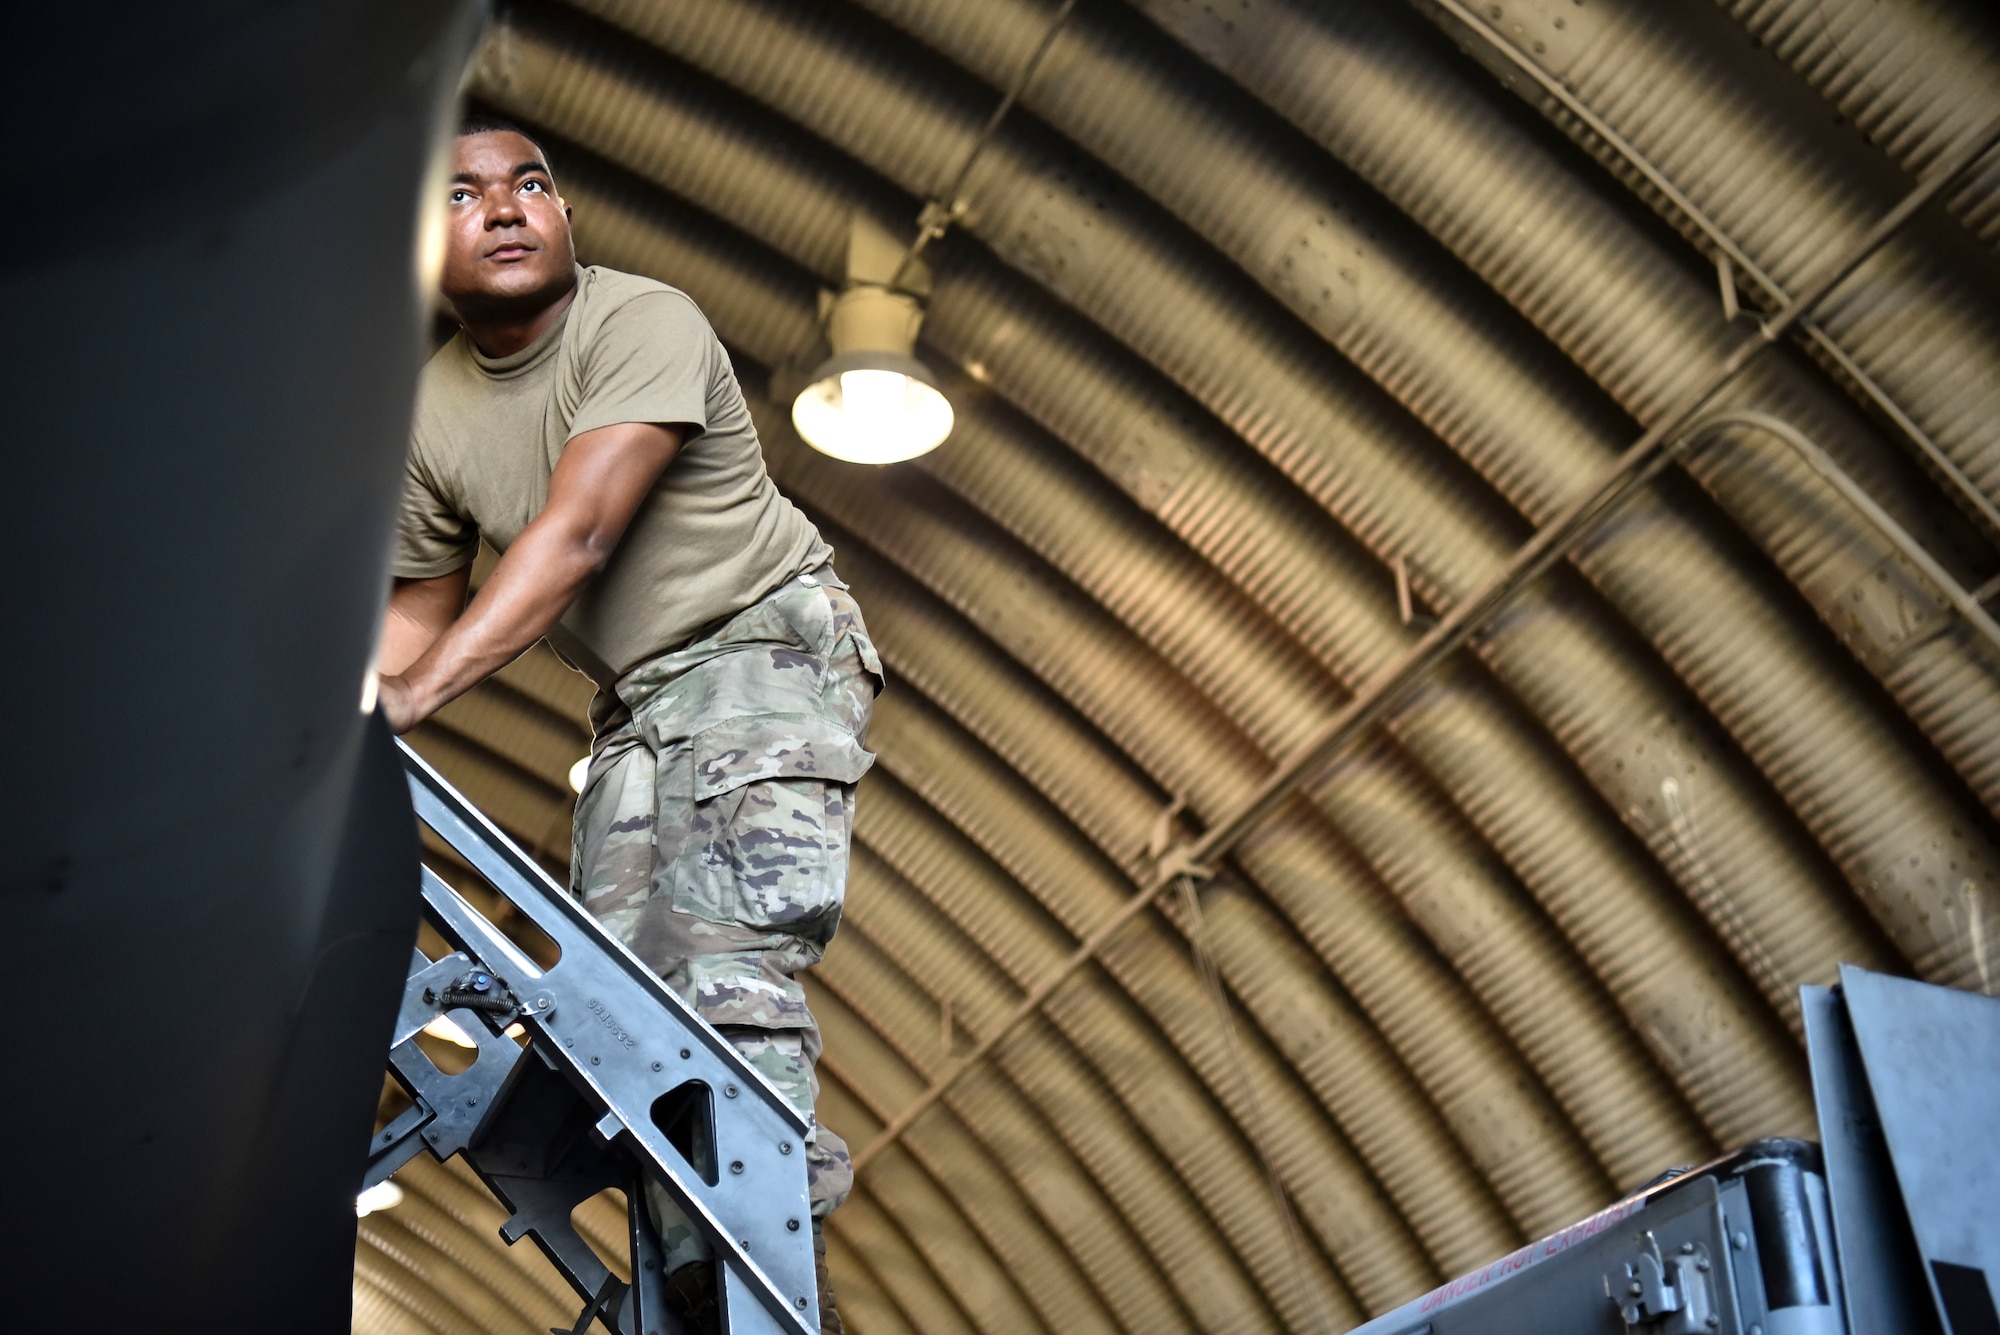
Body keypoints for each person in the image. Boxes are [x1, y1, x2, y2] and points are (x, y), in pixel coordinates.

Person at [375, 114, 877, 1333]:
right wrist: (329, 730)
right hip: (640, 706)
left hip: (763, 647)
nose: (504, 208)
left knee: (723, 968)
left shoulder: (640, 319)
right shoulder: (430, 412)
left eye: (529, 184)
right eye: (461, 195)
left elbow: (577, 536)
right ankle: (693, 1284)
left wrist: (405, 705)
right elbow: (417, 612)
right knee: (618, 1023)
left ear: (559, 213)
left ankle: (759, 1253)